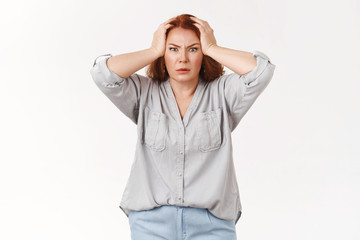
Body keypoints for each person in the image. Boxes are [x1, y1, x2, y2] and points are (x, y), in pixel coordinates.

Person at [90, 13, 276, 240]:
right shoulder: (145, 92)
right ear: (164, 53)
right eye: (173, 49)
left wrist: (212, 47)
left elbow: (261, 71)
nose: (183, 59)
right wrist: (152, 51)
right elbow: (103, 74)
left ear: (203, 54)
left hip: (212, 224)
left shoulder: (223, 93)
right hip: (151, 224)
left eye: (193, 49)